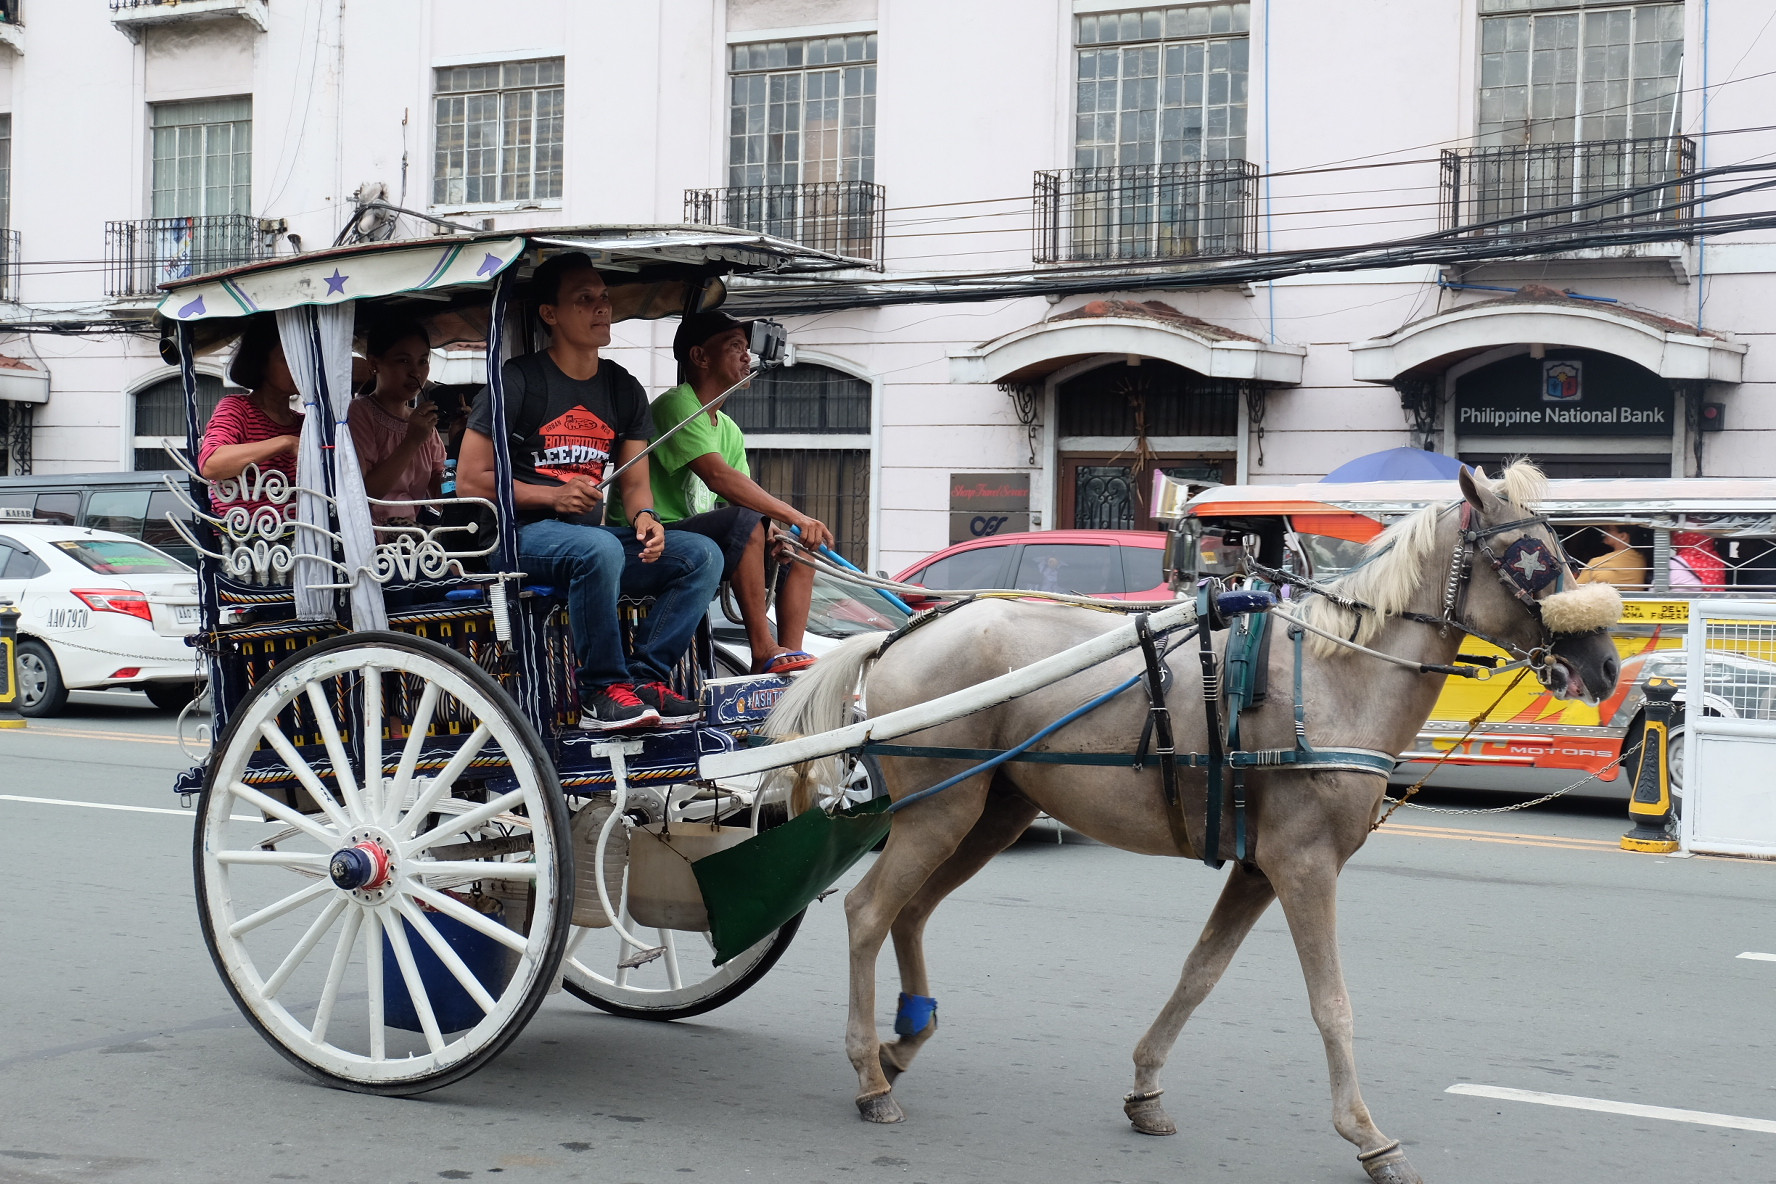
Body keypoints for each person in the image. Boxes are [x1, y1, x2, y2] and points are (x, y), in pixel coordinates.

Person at [456, 252, 723, 731]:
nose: (602, 308)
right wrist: (550, 497)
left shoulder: (622, 388)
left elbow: (636, 483)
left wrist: (646, 521)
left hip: (592, 546)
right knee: (598, 547)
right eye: (585, 299)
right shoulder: (515, 382)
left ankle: (643, 680)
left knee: (702, 554)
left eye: (604, 298)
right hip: (517, 540)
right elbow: (470, 481)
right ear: (550, 314)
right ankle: (600, 691)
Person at [609, 310, 831, 676]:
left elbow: (740, 500)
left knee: (799, 547)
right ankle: (763, 648)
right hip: (649, 539)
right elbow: (719, 479)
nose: (747, 357)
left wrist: (780, 532)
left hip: (696, 533)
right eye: (734, 347)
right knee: (756, 523)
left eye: (746, 348)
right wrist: (794, 515)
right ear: (700, 357)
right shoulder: (678, 405)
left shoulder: (728, 428)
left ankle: (790, 657)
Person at [199, 317, 303, 518]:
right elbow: (211, 464)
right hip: (253, 538)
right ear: (260, 362)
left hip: (302, 532)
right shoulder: (237, 409)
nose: (297, 367)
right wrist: (285, 442)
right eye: (286, 358)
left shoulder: (302, 422)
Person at [347, 319, 446, 525]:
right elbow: (365, 493)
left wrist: (463, 436)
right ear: (374, 364)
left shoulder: (422, 422)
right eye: (403, 361)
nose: (415, 372)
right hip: (369, 533)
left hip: (410, 535)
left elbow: (440, 489)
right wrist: (411, 442)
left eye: (423, 361)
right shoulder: (359, 412)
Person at [1575, 525, 1649, 590]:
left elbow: (1576, 589)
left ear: (1623, 536)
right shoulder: (1641, 558)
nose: (1604, 532)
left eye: (1609, 529)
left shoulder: (1596, 563)